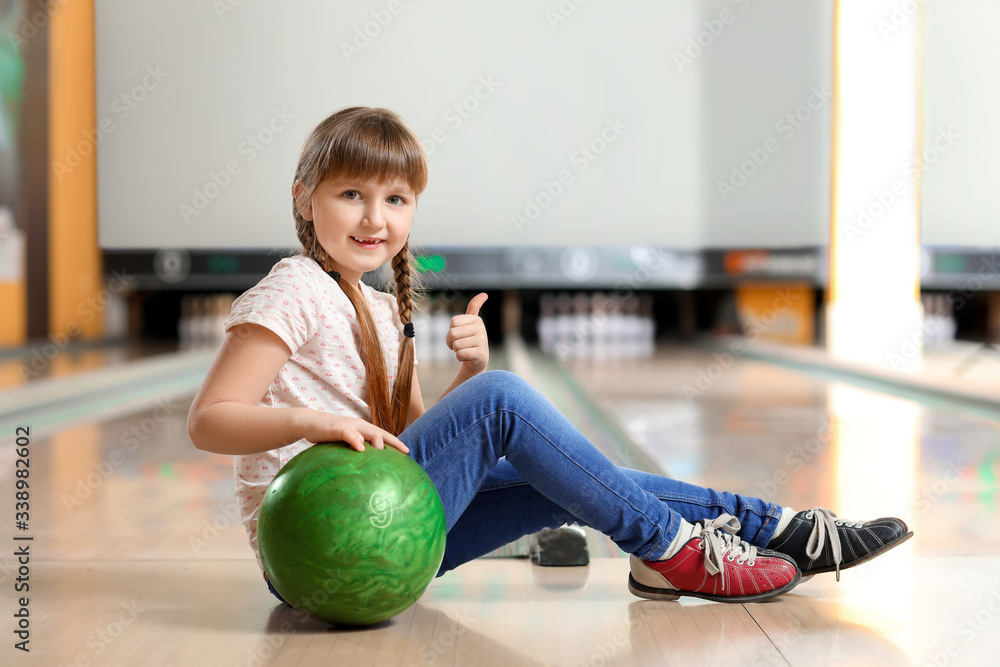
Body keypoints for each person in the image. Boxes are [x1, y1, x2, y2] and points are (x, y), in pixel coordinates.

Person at [187, 106, 912, 605]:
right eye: (351, 193)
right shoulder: (295, 286)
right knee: (504, 400)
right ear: (304, 198)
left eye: (397, 199)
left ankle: (769, 528)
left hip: (385, 541)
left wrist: (466, 374)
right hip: (315, 553)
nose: (376, 218)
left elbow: (410, 444)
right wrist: (309, 422)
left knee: (559, 476)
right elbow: (210, 419)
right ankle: (675, 550)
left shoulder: (380, 308)